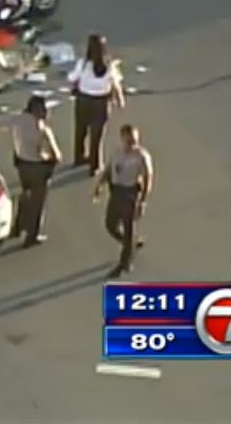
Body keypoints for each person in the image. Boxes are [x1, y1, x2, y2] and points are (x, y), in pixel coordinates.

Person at [0, 96, 62, 247]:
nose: (46, 112)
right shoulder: (42, 130)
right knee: (37, 203)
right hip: (37, 167)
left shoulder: (18, 120)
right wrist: (50, 165)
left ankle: (17, 227)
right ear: (37, 110)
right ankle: (32, 236)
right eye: (44, 109)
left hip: (22, 166)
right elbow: (57, 156)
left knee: (25, 196)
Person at [93, 124, 154, 278]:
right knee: (110, 224)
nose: (132, 144)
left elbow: (148, 177)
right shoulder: (117, 152)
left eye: (134, 140)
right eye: (129, 140)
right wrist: (100, 185)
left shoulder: (141, 156)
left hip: (129, 194)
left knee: (128, 229)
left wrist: (143, 200)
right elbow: (108, 170)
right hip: (116, 192)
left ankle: (124, 263)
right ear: (122, 138)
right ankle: (131, 245)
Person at [68, 33, 125, 175]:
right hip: (102, 102)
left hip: (83, 100)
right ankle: (94, 165)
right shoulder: (109, 65)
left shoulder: (83, 64)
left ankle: (79, 158)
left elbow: (72, 77)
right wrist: (120, 100)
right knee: (97, 135)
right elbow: (116, 83)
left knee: (80, 131)